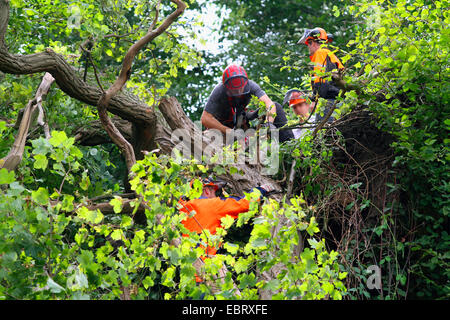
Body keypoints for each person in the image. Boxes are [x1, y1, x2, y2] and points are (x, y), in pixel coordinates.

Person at [177, 177, 272, 294]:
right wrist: (261, 190)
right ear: (207, 190)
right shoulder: (212, 205)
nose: (216, 195)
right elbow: (243, 204)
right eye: (214, 191)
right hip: (207, 273)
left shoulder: (184, 208)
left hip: (189, 275)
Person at [200, 64, 294, 142]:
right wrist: (228, 131)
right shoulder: (219, 91)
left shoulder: (251, 85)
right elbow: (205, 118)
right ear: (227, 87)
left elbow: (270, 104)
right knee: (209, 138)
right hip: (223, 126)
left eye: (239, 90)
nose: (237, 93)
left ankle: (290, 147)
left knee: (276, 107)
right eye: (234, 91)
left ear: (244, 84)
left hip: (243, 120)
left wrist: (269, 123)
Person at [297, 27, 344, 122]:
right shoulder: (329, 54)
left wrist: (315, 100)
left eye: (308, 45)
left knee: (324, 133)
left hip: (328, 102)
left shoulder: (320, 53)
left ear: (312, 43)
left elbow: (321, 80)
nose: (308, 48)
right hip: (337, 101)